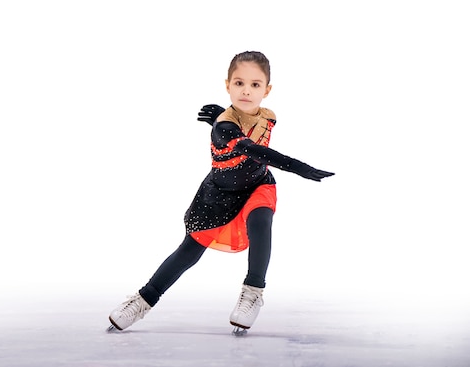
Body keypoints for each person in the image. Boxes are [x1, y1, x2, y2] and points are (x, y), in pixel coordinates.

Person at [107, 51, 334, 334]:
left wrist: (225, 117)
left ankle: (253, 292)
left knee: (261, 221)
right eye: (239, 83)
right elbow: (253, 149)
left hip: (259, 185)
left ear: (267, 89)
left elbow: (251, 131)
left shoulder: (269, 116)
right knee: (188, 252)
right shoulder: (224, 128)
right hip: (219, 196)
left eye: (255, 85)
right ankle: (143, 300)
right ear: (227, 85)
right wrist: (299, 167)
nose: (246, 91)